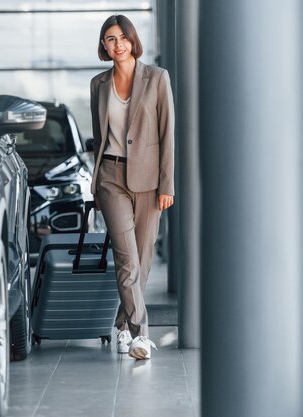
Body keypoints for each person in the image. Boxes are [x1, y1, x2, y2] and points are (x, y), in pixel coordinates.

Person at [90, 14, 175, 360]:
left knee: (142, 258)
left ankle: (122, 323)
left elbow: (167, 134)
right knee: (126, 260)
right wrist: (96, 185)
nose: (118, 44)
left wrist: (166, 183)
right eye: (110, 39)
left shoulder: (157, 78)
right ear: (104, 46)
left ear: (132, 40)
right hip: (111, 177)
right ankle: (141, 336)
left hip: (148, 180)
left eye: (123, 37)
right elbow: (99, 138)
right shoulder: (98, 84)